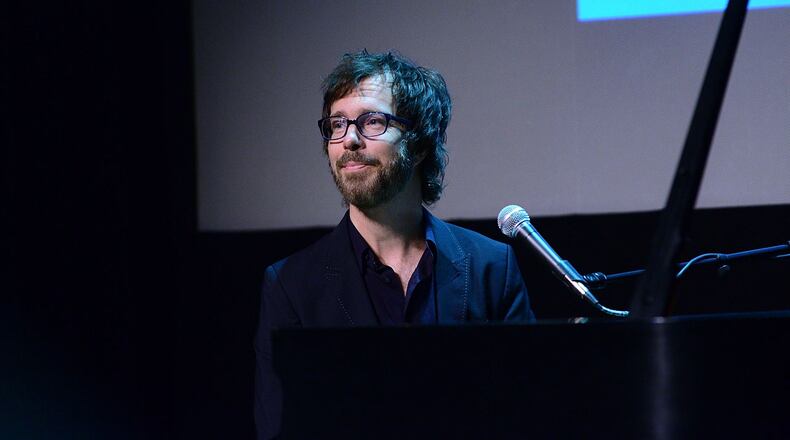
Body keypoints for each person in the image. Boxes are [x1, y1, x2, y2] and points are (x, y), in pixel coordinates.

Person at [254, 50, 534, 439]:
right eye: (337, 124)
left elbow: (528, 413)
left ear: (419, 144)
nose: (349, 139)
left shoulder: (491, 267)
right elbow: (278, 429)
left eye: (371, 121)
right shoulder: (292, 285)